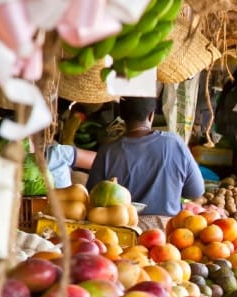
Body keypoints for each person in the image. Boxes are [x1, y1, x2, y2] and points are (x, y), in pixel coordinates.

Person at [86, 97, 205, 230]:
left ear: (122, 116)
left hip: (122, 234)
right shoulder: (175, 143)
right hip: (168, 235)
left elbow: (92, 199)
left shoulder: (107, 151)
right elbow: (196, 191)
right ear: (151, 115)